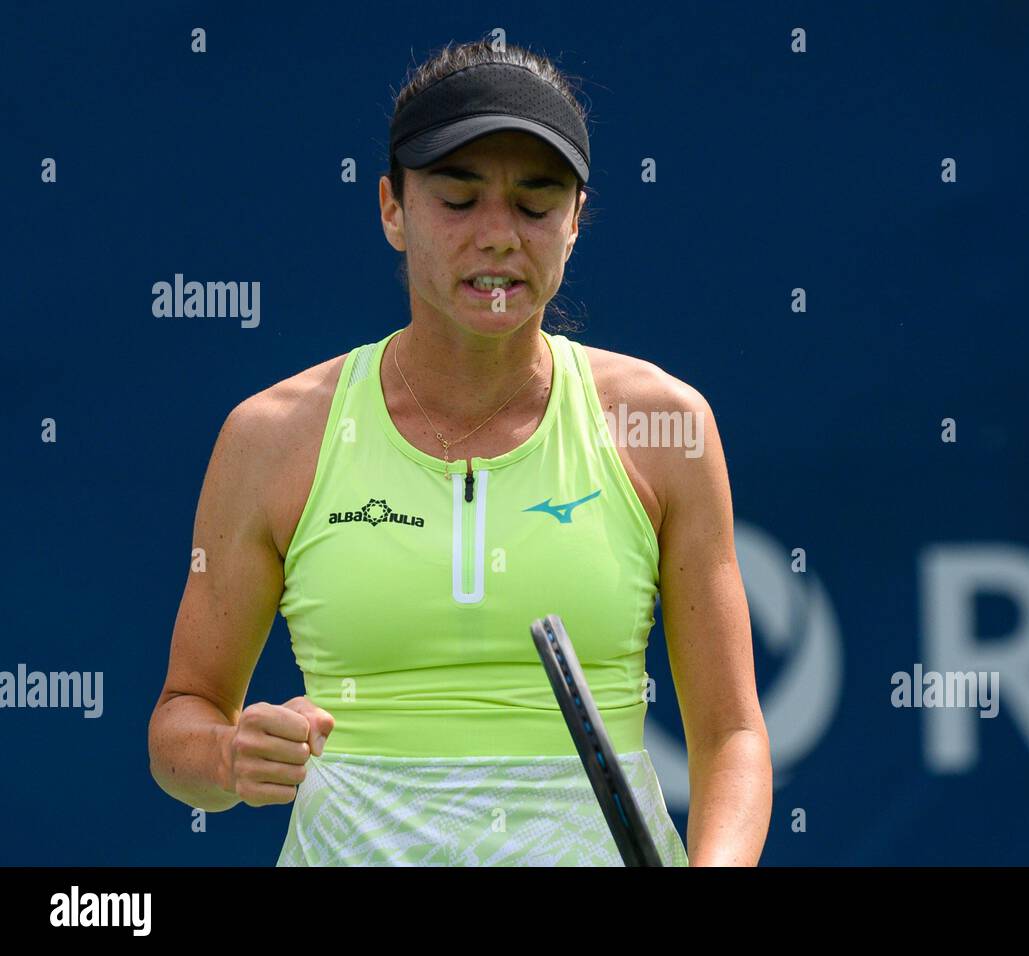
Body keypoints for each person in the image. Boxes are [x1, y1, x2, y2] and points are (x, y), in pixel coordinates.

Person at [147, 38, 771, 866]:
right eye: (458, 198)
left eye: (535, 204)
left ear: (576, 220)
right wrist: (228, 757)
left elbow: (732, 736)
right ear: (391, 209)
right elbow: (181, 722)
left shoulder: (667, 427)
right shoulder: (270, 436)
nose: (498, 236)